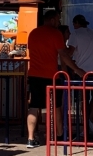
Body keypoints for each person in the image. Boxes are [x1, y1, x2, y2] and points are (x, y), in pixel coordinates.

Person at [59, 14, 93, 139]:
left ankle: (85, 127)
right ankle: (89, 122)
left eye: (74, 25)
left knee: (82, 100)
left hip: (82, 72)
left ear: (77, 23)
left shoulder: (75, 35)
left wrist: (61, 52)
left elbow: (69, 52)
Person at [26, 10, 65, 148]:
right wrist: (76, 70)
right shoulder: (56, 34)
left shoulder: (33, 33)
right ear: (53, 20)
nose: (59, 22)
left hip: (34, 74)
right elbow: (63, 55)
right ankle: (58, 136)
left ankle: (30, 138)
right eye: (58, 19)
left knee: (34, 106)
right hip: (51, 75)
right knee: (56, 106)